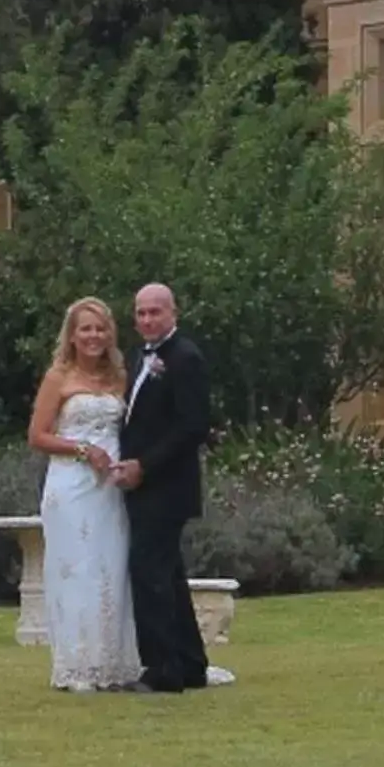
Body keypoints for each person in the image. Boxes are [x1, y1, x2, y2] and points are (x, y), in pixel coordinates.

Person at [114, 283, 225, 693]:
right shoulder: (137, 357)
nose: (147, 320)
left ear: (173, 313)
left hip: (167, 486)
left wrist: (144, 465)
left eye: (155, 312)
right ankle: (190, 663)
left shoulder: (185, 358)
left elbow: (192, 426)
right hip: (140, 484)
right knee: (169, 575)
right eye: (141, 313)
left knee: (149, 574)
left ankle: (162, 669)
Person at [27, 297, 142, 692]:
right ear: (72, 336)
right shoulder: (58, 377)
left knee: (109, 568)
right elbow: (38, 436)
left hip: (109, 488)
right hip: (70, 486)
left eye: (100, 328)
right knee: (75, 570)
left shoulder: (119, 379)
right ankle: (77, 665)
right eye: (86, 329)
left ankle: (111, 662)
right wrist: (82, 449)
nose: (94, 336)